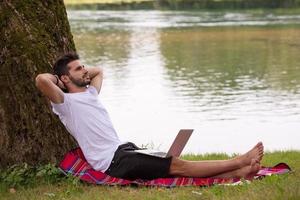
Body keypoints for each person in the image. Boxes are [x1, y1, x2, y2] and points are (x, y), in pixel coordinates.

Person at [35, 53, 264, 180]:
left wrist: (79, 72)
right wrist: (58, 80)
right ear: (64, 79)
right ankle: (238, 161)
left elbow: (99, 71)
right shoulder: (65, 104)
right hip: (112, 161)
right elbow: (40, 80)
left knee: (169, 164)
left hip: (124, 149)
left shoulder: (91, 93)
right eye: (77, 69)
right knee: (178, 166)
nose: (85, 70)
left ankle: (240, 172)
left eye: (83, 66)